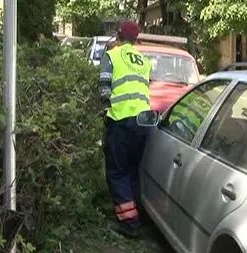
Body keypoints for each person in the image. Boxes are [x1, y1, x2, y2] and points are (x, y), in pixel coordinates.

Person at [99, 21, 152, 238]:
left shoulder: (111, 56)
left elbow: (104, 91)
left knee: (117, 171)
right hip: (143, 122)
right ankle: (135, 213)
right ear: (136, 40)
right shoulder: (144, 61)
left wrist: (104, 114)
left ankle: (129, 224)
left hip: (121, 119)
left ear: (118, 36)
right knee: (131, 169)